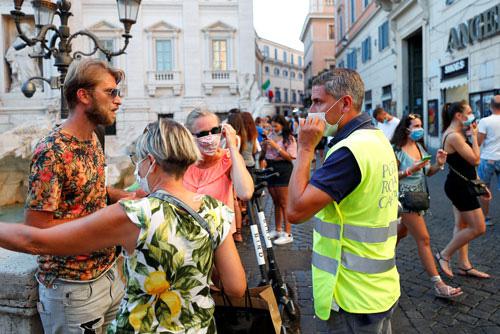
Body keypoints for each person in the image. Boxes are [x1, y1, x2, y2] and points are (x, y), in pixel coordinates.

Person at [0, 119, 246, 333]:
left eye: (137, 160)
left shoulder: (136, 215)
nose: (137, 168)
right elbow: (236, 287)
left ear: (151, 162)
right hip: (199, 327)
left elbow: (36, 241)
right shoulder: (216, 210)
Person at [23, 58, 134, 333]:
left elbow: (91, 191)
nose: (118, 100)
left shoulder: (93, 137)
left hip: (110, 275)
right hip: (72, 291)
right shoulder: (52, 152)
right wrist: (105, 223)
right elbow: (36, 230)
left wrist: (124, 197)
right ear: (83, 95)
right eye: (110, 92)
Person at [287, 69, 399, 332]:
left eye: (318, 102)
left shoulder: (350, 151)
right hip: (380, 288)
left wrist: (304, 149)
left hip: (352, 295)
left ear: (345, 103)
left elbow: (295, 211)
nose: (311, 110)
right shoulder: (376, 139)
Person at [391, 114, 462, 299]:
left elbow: (427, 172)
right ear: (406, 129)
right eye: (416, 125)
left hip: (419, 198)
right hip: (404, 199)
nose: (420, 128)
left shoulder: (420, 147)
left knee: (402, 232)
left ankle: (382, 258)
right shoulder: (396, 150)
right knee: (424, 239)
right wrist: (409, 170)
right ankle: (438, 284)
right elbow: (390, 176)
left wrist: (438, 165)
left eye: (421, 125)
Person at [436, 101, 491, 279]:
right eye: (468, 112)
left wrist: (480, 185)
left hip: (462, 184)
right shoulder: (453, 136)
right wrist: (474, 136)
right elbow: (475, 160)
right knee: (479, 227)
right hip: (460, 187)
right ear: (459, 116)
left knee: (462, 225)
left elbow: (467, 167)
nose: (472, 114)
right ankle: (444, 254)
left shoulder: (457, 133)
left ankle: (464, 265)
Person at [183, 108, 254, 243]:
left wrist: (232, 146)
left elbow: (245, 193)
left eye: (215, 131)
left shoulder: (227, 159)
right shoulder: (182, 163)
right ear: (190, 136)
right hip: (188, 238)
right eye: (203, 133)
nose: (210, 138)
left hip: (220, 240)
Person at [259, 115, 297, 245]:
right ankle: (278, 229)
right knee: (275, 201)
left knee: (284, 202)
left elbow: (290, 157)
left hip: (283, 169)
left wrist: (276, 146)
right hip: (270, 168)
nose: (273, 128)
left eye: (276, 126)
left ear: (283, 125)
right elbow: (263, 155)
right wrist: (264, 148)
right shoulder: (270, 136)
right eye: (272, 126)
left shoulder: (289, 139)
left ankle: (288, 233)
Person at [477, 95, 500, 226]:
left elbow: (479, 141)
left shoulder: (485, 121)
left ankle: (486, 218)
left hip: (487, 158)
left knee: (484, 189)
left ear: (491, 106)